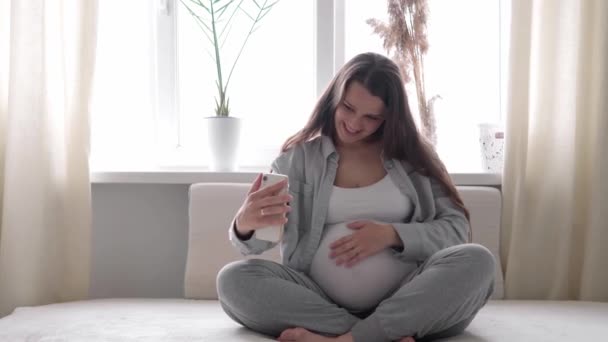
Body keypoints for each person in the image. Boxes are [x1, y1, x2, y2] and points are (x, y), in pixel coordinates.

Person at [217, 52, 495, 342]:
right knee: (233, 281)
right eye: (347, 108)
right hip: (318, 299)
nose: (353, 123)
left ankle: (348, 339)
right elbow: (258, 242)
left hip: (409, 295)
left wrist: (392, 235)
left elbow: (456, 230)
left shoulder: (415, 158)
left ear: (389, 117)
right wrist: (244, 225)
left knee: (478, 261)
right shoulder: (297, 160)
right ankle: (376, 334)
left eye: (371, 117)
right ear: (334, 98)